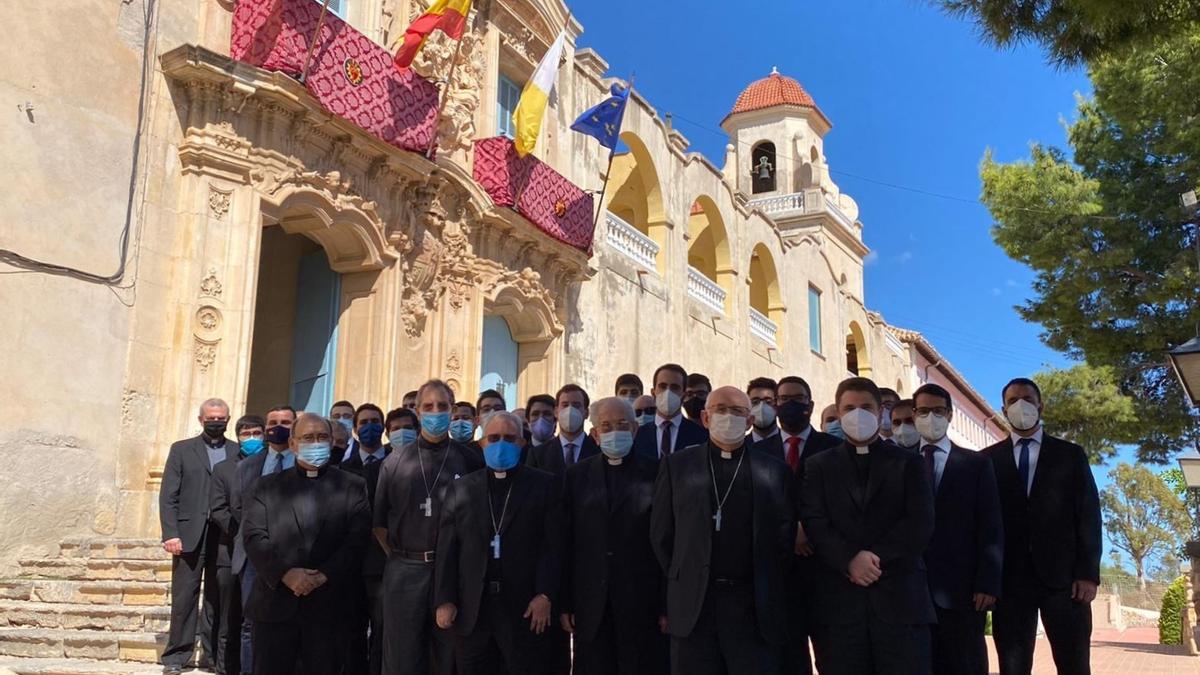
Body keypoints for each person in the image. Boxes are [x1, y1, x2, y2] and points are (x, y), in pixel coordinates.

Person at [650, 386, 793, 675]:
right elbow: (662, 535)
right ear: (705, 418)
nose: (729, 417)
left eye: (738, 412)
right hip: (695, 605)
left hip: (752, 607)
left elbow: (783, 537)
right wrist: (683, 574)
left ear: (750, 421)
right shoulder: (676, 466)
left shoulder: (774, 471)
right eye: (721, 410)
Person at [800, 377, 935, 675]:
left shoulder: (908, 463)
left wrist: (873, 558)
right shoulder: (818, 465)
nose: (857, 414)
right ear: (838, 410)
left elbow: (920, 521)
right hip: (838, 605)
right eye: (849, 408)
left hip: (901, 601)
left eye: (866, 407)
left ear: (880, 413)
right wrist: (849, 559)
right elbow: (814, 520)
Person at [983, 378, 1101, 675]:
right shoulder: (987, 460)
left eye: (1026, 398)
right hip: (1010, 584)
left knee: (1074, 665)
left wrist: (1088, 574)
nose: (1019, 405)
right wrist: (985, 580)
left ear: (1040, 406)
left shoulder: (1070, 455)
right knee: (1013, 667)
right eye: (1012, 401)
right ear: (1004, 409)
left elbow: (1088, 514)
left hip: (1065, 583)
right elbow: (982, 523)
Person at [434, 412, 565, 675]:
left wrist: (545, 594)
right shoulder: (462, 489)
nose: (500, 444)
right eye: (493, 438)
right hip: (474, 609)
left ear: (521, 443)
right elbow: (448, 549)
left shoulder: (545, 485)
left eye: (509, 438)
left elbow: (554, 546)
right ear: (482, 444)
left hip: (524, 608)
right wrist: (445, 599)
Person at [242, 413, 371, 675]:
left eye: (322, 437)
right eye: (308, 437)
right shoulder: (266, 486)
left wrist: (323, 575)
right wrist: (286, 574)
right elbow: (254, 536)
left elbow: (357, 539)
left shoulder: (352, 486)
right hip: (275, 604)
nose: (316, 443)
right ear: (293, 444)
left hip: (330, 606)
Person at [375, 380, 485, 675]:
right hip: (405, 571)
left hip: (452, 574)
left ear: (452, 411)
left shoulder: (471, 460)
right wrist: (406, 557)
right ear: (418, 411)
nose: (435, 412)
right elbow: (380, 525)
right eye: (428, 407)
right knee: (401, 660)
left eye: (442, 406)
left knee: (447, 658)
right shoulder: (395, 461)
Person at [561, 397, 667, 675]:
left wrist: (665, 604)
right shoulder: (576, 476)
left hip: (641, 600)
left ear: (634, 430)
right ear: (595, 435)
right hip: (590, 602)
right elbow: (567, 542)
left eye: (622, 425)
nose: (614, 432)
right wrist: (567, 602)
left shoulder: (658, 473)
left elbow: (667, 540)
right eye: (606, 426)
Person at [749, 376, 840, 675]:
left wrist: (808, 528)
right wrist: (790, 530)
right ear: (775, 405)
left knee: (832, 657)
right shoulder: (757, 452)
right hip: (780, 574)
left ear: (810, 405)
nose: (790, 405)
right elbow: (756, 506)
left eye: (797, 399)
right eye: (783, 399)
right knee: (790, 660)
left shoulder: (834, 448)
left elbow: (842, 504)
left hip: (826, 570)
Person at [910, 384, 1003, 675]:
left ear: (949, 415)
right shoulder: (898, 462)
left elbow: (990, 524)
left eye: (938, 411)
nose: (931, 417)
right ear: (914, 415)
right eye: (923, 411)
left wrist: (987, 582)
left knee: (965, 663)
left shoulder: (976, 464)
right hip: (908, 588)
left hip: (961, 590)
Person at [160, 398, 238, 674]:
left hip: (224, 536)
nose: (216, 422)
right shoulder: (181, 450)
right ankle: (176, 655)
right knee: (185, 596)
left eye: (221, 418)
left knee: (219, 598)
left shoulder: (237, 451)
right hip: (189, 534)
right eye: (211, 418)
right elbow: (169, 494)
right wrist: (170, 533)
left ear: (228, 419)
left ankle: (213, 655)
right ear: (200, 420)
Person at [208, 414, 265, 675]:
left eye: (256, 433)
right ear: (237, 436)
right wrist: (244, 531)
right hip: (234, 550)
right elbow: (219, 508)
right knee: (231, 619)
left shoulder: (275, 465)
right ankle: (226, 668)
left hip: (268, 552)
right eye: (245, 434)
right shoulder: (224, 469)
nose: (251, 438)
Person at [340, 403, 392, 675]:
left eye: (375, 421)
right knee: (352, 632)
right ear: (355, 429)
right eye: (364, 422)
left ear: (383, 427)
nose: (370, 426)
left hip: (385, 564)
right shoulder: (342, 469)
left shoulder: (397, 462)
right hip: (350, 564)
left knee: (383, 632)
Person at [632, 364, 708, 462]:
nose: (668, 392)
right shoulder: (637, 436)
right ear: (653, 392)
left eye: (675, 387)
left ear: (684, 395)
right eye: (662, 386)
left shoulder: (701, 436)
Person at [529, 384, 600, 479]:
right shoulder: (538, 454)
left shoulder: (599, 452)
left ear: (586, 413)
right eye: (565, 405)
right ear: (556, 412)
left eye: (576, 405)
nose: (570, 410)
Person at [746, 377, 779, 443]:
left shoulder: (789, 446)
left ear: (777, 404)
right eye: (755, 402)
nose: (761, 407)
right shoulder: (740, 447)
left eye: (768, 401)